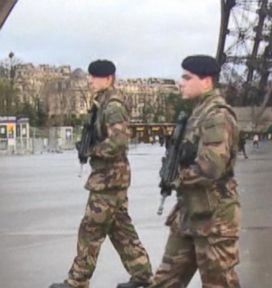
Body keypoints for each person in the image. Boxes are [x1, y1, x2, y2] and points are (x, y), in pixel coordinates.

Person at [50, 60, 152, 288]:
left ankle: (77, 280)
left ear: (108, 79)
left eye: (94, 77)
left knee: (90, 229)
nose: (90, 80)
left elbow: (118, 142)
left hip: (109, 179)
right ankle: (143, 274)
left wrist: (91, 150)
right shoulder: (103, 104)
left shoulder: (113, 106)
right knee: (120, 229)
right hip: (111, 177)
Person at [149, 55, 241, 287]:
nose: (181, 82)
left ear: (206, 81)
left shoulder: (216, 115)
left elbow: (211, 167)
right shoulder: (198, 113)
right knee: (165, 280)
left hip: (214, 219)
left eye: (187, 77)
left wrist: (175, 179)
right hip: (190, 212)